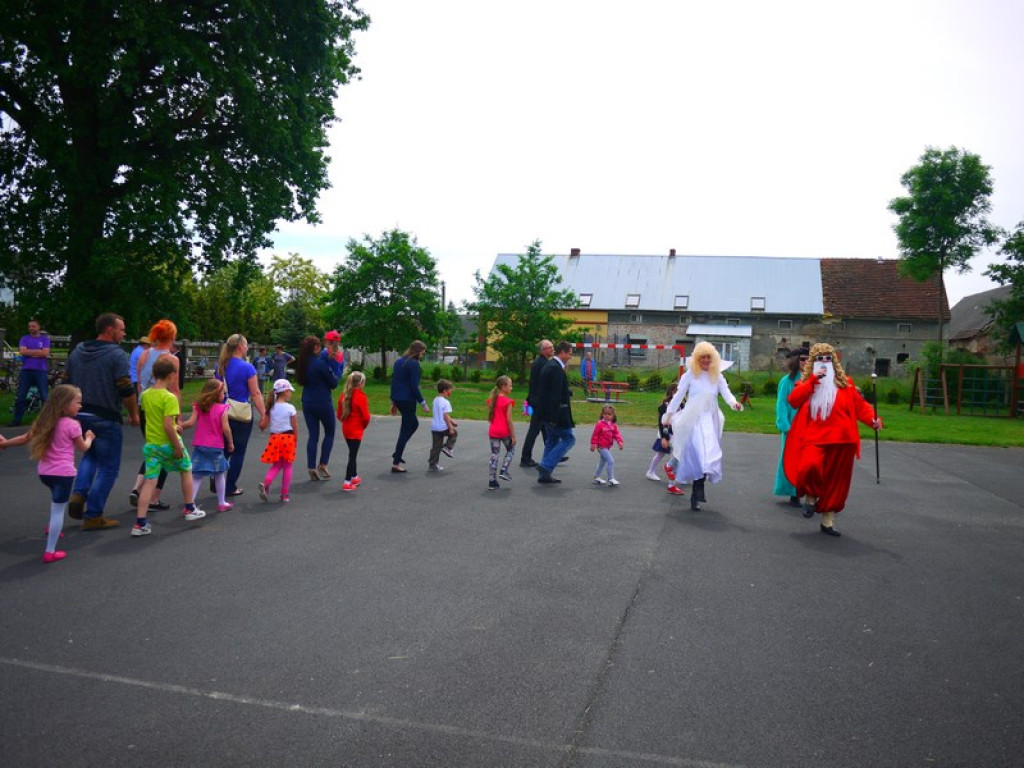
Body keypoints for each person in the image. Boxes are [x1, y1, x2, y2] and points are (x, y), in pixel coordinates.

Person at [784, 342, 883, 537]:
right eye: (819, 359)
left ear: (833, 361)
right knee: (809, 466)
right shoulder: (806, 383)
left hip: (842, 440)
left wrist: (875, 420)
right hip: (815, 437)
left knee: (837, 482)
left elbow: (861, 407)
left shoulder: (845, 384)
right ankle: (811, 497)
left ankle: (828, 520)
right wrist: (813, 381)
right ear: (813, 362)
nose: (823, 362)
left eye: (827, 359)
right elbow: (794, 400)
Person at [1, 385, 94, 562]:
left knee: (55, 499)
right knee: (58, 510)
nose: (80, 406)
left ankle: (51, 528)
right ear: (65, 405)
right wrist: (89, 437)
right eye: (78, 403)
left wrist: (5, 444)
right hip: (63, 474)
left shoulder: (45, 421)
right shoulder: (73, 425)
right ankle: (50, 551)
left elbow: (24, 438)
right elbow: (83, 448)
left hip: (45, 473)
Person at [65, 312, 139, 530]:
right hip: (106, 416)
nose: (124, 333)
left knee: (90, 455)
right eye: (121, 329)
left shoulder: (78, 351)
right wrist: (133, 413)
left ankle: (79, 495)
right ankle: (94, 515)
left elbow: (66, 382)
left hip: (80, 414)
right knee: (108, 468)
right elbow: (126, 388)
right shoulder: (116, 355)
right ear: (110, 329)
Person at [664, 341, 744, 511]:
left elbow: (726, 392)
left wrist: (734, 403)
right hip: (693, 419)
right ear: (697, 359)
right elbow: (678, 395)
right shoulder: (691, 375)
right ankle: (697, 488)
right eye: (703, 357)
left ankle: (697, 491)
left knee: (709, 456)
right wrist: (669, 415)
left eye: (709, 357)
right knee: (698, 455)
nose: (706, 360)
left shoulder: (717, 376)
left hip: (710, 419)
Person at [134, 356, 205, 537]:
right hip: (168, 443)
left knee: (150, 481)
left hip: (152, 445)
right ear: (171, 375)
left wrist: (174, 426)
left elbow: (155, 420)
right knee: (186, 469)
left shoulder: (145, 395)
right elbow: (167, 424)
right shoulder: (169, 397)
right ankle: (190, 508)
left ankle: (140, 522)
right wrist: (177, 444)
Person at [129, 319, 181, 511]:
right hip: (163, 407)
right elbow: (174, 389)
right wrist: (178, 417)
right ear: (171, 336)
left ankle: (137, 488)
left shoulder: (144, 354)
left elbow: (139, 384)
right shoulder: (171, 359)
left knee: (152, 448)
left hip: (145, 406)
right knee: (165, 451)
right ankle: (153, 497)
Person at [216, 333, 267, 496]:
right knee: (238, 451)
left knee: (223, 448)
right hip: (240, 413)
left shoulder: (221, 366)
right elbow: (256, 393)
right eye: (246, 345)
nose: (247, 348)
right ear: (240, 346)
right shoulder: (247, 367)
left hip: (222, 411)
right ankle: (230, 486)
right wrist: (264, 414)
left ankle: (215, 478)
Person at [180, 378, 235, 513]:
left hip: (200, 445)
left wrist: (178, 427)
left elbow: (191, 422)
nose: (224, 395)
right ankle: (221, 503)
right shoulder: (223, 409)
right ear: (217, 394)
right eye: (223, 392)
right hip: (216, 446)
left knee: (197, 476)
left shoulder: (199, 406)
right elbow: (226, 428)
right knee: (219, 474)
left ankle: (190, 504)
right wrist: (231, 442)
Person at [295, 333, 343, 481]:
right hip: (322, 400)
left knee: (313, 435)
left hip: (307, 400)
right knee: (329, 432)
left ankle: (311, 466)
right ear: (315, 348)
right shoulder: (320, 363)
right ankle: (323, 463)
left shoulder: (303, 363)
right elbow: (333, 383)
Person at [535, 341, 576, 484]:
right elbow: (554, 396)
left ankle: (544, 476)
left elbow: (549, 390)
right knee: (569, 439)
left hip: (546, 412)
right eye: (569, 353)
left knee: (551, 441)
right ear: (562, 352)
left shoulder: (550, 365)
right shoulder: (556, 369)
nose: (570, 356)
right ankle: (546, 466)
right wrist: (555, 417)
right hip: (557, 413)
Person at [774, 347, 809, 508]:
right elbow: (781, 404)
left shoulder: (813, 379)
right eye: (802, 359)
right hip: (792, 427)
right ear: (795, 361)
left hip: (810, 426)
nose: (806, 362)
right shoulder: (787, 381)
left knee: (809, 461)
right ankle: (793, 492)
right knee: (790, 460)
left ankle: (808, 492)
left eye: (809, 359)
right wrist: (784, 425)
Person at [389, 340, 430, 473]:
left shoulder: (399, 362)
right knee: (406, 429)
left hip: (399, 398)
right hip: (408, 400)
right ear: (418, 352)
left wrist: (393, 402)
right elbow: (414, 386)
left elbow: (394, 382)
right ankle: (396, 460)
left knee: (413, 424)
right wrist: (423, 403)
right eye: (422, 353)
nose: (422, 356)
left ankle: (397, 453)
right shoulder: (414, 364)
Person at [258, 379, 299, 503]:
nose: (291, 394)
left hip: (274, 439)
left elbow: (262, 426)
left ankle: (266, 483)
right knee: (287, 466)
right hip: (288, 438)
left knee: (276, 465)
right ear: (285, 392)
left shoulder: (271, 407)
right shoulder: (290, 408)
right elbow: (295, 426)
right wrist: (295, 439)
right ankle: (284, 494)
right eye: (290, 391)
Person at [519, 340, 554, 467]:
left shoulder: (541, 362)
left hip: (536, 400)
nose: (552, 350)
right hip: (539, 402)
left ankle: (552, 454)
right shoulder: (542, 364)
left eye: (552, 347)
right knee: (534, 430)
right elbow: (541, 384)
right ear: (543, 350)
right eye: (550, 348)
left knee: (546, 429)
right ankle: (525, 458)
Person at [10, 319, 50, 426]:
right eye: (30, 326)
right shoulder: (24, 338)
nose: (31, 328)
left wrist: (30, 353)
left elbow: (45, 353)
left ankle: (48, 420)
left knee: (44, 396)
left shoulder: (45, 339)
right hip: (26, 370)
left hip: (40, 370)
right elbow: (22, 351)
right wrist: (38, 352)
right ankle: (17, 420)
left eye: (33, 326)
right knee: (21, 395)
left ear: (38, 327)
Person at [337, 370, 370, 492]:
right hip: (356, 430)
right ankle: (347, 481)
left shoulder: (343, 396)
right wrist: (363, 426)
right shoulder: (361, 397)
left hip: (346, 428)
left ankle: (354, 476)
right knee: (352, 456)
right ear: (360, 383)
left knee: (352, 453)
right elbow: (366, 417)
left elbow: (339, 415)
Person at [486, 375, 516, 490]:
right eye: (510, 386)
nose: (511, 388)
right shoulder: (508, 401)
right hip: (504, 431)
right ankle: (504, 469)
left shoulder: (491, 400)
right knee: (511, 449)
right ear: (503, 387)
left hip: (493, 431)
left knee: (494, 455)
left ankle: (492, 480)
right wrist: (513, 435)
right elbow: (509, 420)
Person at [646, 383, 677, 484]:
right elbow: (661, 423)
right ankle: (651, 472)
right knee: (661, 453)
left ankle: (677, 476)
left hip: (676, 434)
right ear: (672, 392)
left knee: (678, 454)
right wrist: (664, 437)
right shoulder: (664, 406)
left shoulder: (681, 404)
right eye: (677, 392)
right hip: (666, 433)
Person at [591, 403, 624, 486]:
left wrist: (619, 442)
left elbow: (617, 434)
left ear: (613, 415)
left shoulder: (613, 425)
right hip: (601, 447)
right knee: (611, 461)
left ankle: (596, 477)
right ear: (602, 414)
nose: (606, 416)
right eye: (605, 414)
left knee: (602, 463)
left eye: (609, 414)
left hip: (607, 447)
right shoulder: (600, 424)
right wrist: (593, 444)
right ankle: (611, 478)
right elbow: (595, 434)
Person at [428, 379, 458, 472]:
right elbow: (445, 416)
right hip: (442, 426)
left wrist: (452, 421)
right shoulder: (446, 402)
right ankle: (448, 447)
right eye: (450, 390)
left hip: (434, 427)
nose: (450, 392)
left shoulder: (435, 400)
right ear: (445, 391)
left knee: (436, 446)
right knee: (454, 433)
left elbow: (443, 414)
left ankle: (433, 464)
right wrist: (451, 427)